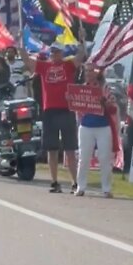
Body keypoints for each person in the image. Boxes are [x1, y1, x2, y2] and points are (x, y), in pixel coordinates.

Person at [22, 42, 86, 193]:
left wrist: (82, 42)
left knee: (70, 149)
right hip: (50, 111)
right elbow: (27, 60)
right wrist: (20, 46)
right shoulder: (44, 67)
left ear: (62, 53)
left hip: (66, 110)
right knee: (52, 149)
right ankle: (54, 181)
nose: (54, 55)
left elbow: (80, 56)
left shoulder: (68, 65)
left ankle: (75, 182)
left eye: (57, 52)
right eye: (52, 52)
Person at [74, 68, 116, 197]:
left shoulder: (104, 88)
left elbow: (113, 108)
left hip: (103, 126)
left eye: (91, 72)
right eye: (86, 72)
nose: (88, 74)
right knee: (84, 158)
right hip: (86, 126)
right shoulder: (81, 89)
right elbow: (77, 108)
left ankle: (106, 189)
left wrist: (105, 103)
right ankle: (80, 187)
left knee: (104, 158)